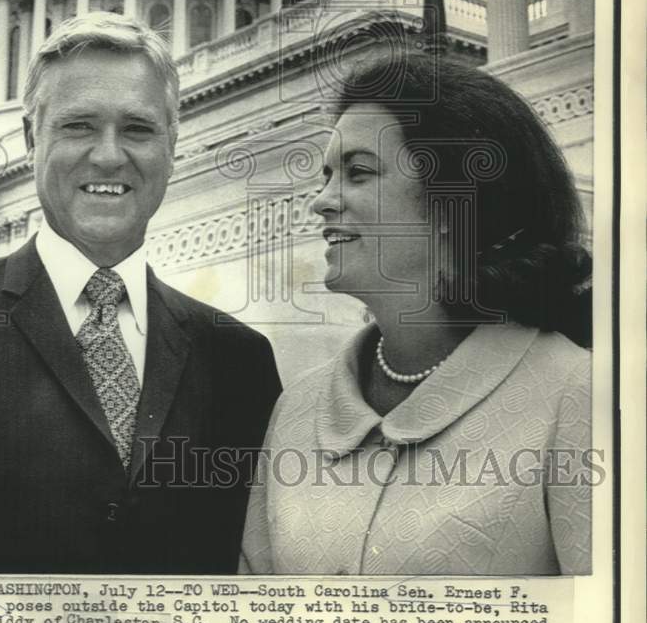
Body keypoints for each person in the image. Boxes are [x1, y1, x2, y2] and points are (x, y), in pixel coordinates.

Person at [0, 11, 281, 574]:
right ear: (33, 139)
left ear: (172, 145)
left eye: (138, 128)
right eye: (79, 126)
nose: (108, 155)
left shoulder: (239, 359)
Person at [241, 49, 593, 576]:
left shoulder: (577, 396)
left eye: (358, 173)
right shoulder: (297, 410)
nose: (322, 201)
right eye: (327, 175)